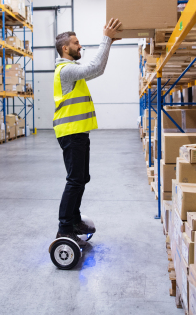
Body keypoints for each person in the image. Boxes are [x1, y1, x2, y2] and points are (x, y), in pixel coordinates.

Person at [53, 18, 122, 246]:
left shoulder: (69, 69)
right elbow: (96, 68)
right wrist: (107, 38)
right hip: (71, 133)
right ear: (66, 48)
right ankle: (64, 227)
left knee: (82, 178)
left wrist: (109, 41)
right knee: (74, 180)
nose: (79, 46)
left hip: (79, 132)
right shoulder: (65, 70)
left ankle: (74, 220)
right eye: (76, 43)